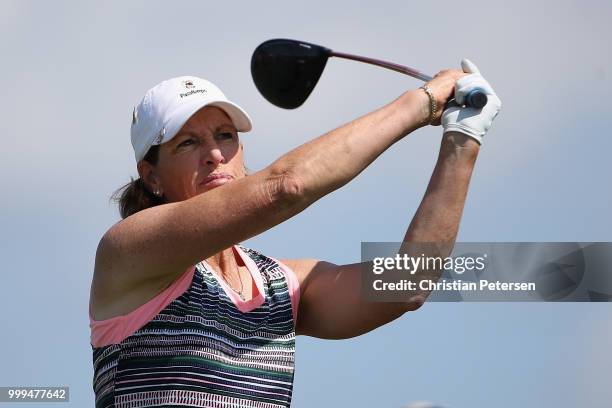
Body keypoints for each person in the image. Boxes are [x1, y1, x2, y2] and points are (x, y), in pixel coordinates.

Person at [89, 59, 501, 408]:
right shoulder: (128, 250)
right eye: (187, 143)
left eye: (225, 136)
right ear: (152, 177)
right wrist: (422, 103)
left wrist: (463, 138)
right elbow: (285, 187)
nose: (215, 154)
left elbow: (406, 283)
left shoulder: (279, 286)